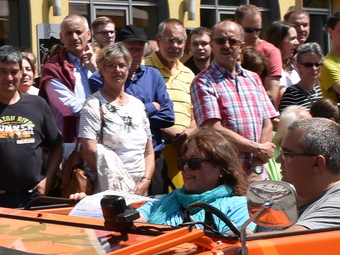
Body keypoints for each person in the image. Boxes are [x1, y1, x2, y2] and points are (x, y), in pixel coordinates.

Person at [0, 46, 63, 207]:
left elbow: (56, 145)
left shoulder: (38, 105)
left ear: (21, 73)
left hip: (34, 198)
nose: (9, 77)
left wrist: (47, 181)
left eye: (14, 72)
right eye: (2, 71)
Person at [193, 20, 276, 173]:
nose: (226, 45)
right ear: (212, 45)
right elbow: (212, 128)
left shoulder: (253, 78)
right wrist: (257, 148)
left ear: (241, 46)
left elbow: (267, 123)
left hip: (257, 171)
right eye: (220, 41)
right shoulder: (203, 81)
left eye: (232, 41)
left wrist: (256, 166)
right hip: (225, 172)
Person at [274, 118, 340, 232]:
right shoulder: (282, 200)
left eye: (287, 154)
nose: (278, 160)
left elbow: (277, 244)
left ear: (317, 163)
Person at [78, 43, 155, 196]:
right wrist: (118, 181)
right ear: (101, 69)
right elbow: (89, 151)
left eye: (121, 65)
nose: (117, 70)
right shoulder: (93, 105)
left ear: (128, 68)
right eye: (111, 66)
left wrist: (146, 180)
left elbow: (149, 152)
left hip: (140, 190)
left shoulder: (138, 105)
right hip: (109, 190)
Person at [142, 126, 252, 229]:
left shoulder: (239, 206)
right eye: (183, 162)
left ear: (222, 169)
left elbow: (238, 242)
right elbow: (132, 220)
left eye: (194, 162)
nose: (185, 167)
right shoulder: (162, 202)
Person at [145, 18, 194, 184]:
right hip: (156, 147)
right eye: (170, 40)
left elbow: (195, 110)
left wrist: (190, 130)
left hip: (185, 148)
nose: (175, 46)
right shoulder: (144, 69)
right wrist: (169, 132)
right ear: (158, 40)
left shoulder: (189, 74)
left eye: (180, 41)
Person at [38, 14, 98, 147]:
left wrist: (95, 70)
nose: (75, 37)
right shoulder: (53, 68)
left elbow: (115, 93)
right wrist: (105, 107)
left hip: (103, 140)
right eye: (69, 33)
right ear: (61, 38)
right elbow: (70, 108)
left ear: (88, 34)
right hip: (70, 144)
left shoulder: (100, 64)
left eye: (79, 32)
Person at [235, 4, 285, 80]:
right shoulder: (230, 49)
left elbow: (272, 91)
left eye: (258, 29)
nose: (255, 35)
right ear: (237, 25)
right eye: (249, 30)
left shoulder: (270, 51)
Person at [279, 42, 326, 112]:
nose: (314, 68)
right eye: (308, 65)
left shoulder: (320, 90)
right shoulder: (291, 94)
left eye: (317, 64)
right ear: (298, 67)